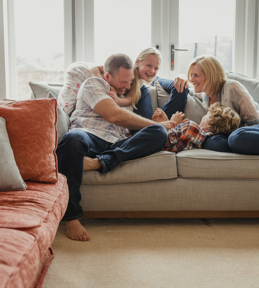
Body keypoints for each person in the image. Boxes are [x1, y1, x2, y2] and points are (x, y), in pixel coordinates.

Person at [56, 53, 176, 242]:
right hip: (89, 135)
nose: (127, 87)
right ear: (107, 77)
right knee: (72, 139)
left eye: (130, 83)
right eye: (123, 82)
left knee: (158, 134)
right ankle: (71, 218)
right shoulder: (92, 85)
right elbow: (114, 116)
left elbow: (135, 123)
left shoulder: (128, 95)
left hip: (116, 143)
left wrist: (158, 125)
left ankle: (99, 163)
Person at [58, 48, 189, 123]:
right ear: (137, 62)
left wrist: (118, 100)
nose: (152, 71)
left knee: (180, 88)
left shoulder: (141, 85)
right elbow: (94, 69)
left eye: (156, 68)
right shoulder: (126, 69)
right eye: (149, 65)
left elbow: (130, 99)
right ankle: (163, 125)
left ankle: (164, 122)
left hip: (141, 103)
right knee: (144, 91)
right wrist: (105, 86)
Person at [152, 102, 240, 153]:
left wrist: (170, 122)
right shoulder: (203, 137)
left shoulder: (192, 127)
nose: (204, 116)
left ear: (211, 121)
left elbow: (162, 140)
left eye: (207, 114)